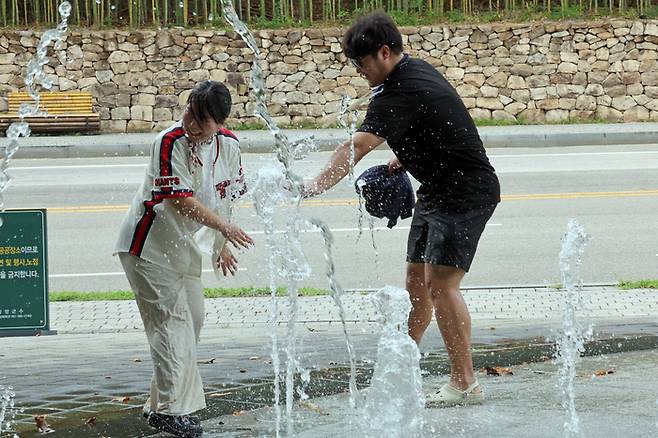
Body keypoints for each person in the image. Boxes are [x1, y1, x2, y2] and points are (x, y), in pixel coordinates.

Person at [301, 12, 500, 407]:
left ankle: (466, 382)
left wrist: (311, 186)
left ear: (385, 52)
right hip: (438, 189)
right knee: (415, 278)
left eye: (361, 63)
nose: (358, 71)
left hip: (465, 192)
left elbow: (355, 147)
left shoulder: (399, 90)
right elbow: (439, 120)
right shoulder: (412, 73)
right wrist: (406, 158)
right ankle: (403, 362)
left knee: (441, 285)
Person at [115, 80, 254, 437]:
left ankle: (159, 405)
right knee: (171, 322)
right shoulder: (169, 141)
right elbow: (179, 200)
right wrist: (225, 227)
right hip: (147, 247)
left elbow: (224, 197)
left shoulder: (229, 147)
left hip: (181, 250)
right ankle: (174, 411)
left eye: (202, 120)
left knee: (191, 321)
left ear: (220, 123)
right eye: (190, 111)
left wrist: (222, 242)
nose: (191, 123)